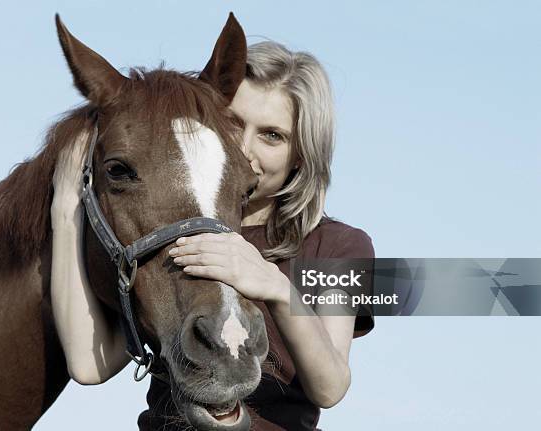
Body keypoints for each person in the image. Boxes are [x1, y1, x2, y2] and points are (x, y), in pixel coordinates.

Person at [50, 40, 374, 431]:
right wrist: (66, 210)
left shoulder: (341, 247)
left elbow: (331, 387)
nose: (245, 146)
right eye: (235, 122)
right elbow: (89, 365)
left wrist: (275, 286)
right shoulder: (171, 229)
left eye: (272, 135)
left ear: (302, 153)